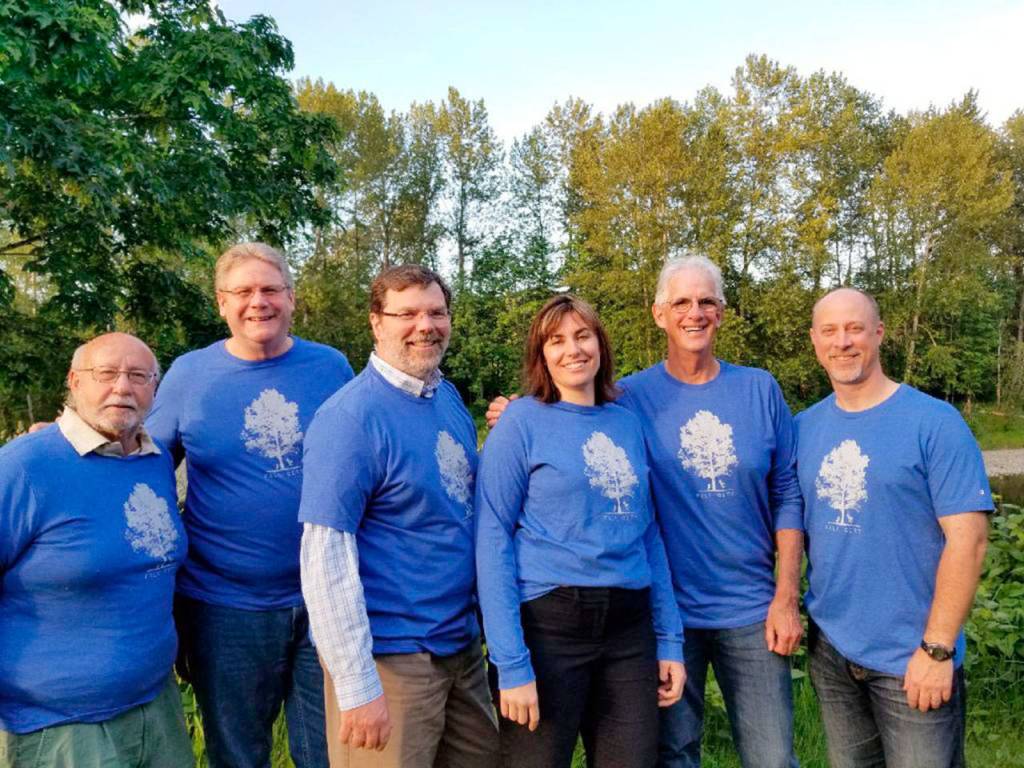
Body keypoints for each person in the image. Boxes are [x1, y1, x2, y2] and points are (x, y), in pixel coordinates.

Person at [487, 255, 804, 768]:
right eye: (681, 302)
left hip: (722, 610)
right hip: (612, 612)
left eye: (706, 301)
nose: (694, 313)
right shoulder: (623, 399)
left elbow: (780, 493)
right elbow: (499, 527)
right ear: (659, 313)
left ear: (721, 312)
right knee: (668, 752)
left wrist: (785, 596)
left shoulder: (745, 391)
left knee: (765, 756)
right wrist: (516, 410)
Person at [147, 242, 354, 768]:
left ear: (291, 297)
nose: (257, 302)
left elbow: (370, 451)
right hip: (224, 605)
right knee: (237, 755)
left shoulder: (330, 367)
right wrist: (67, 447)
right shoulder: (189, 375)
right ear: (221, 303)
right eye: (243, 292)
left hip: (324, 600)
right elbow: (141, 464)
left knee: (330, 753)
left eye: (270, 289)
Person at [298, 264, 499, 768]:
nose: (425, 325)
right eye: (406, 313)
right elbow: (325, 558)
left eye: (436, 312)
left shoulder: (445, 397)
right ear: (376, 322)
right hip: (392, 660)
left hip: (460, 648)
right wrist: (356, 684)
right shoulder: (349, 419)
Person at [475, 294, 685, 768]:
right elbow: (491, 540)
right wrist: (510, 662)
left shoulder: (627, 423)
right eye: (557, 340)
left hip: (629, 632)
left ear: (600, 345)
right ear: (541, 354)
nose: (573, 349)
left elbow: (648, 535)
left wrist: (669, 639)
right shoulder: (520, 423)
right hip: (549, 628)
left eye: (583, 335)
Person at [796, 288, 991, 768]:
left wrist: (938, 650)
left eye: (855, 328)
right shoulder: (803, 428)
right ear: (815, 341)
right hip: (833, 654)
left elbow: (969, 540)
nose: (843, 342)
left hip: (914, 658)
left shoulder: (935, 423)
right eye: (830, 331)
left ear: (879, 334)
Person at [0, 333, 190, 767]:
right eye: (105, 373)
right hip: (61, 727)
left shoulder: (154, 459)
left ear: (155, 389)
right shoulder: (24, 467)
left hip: (156, 707)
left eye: (138, 376)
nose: (122, 387)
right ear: (74, 381)